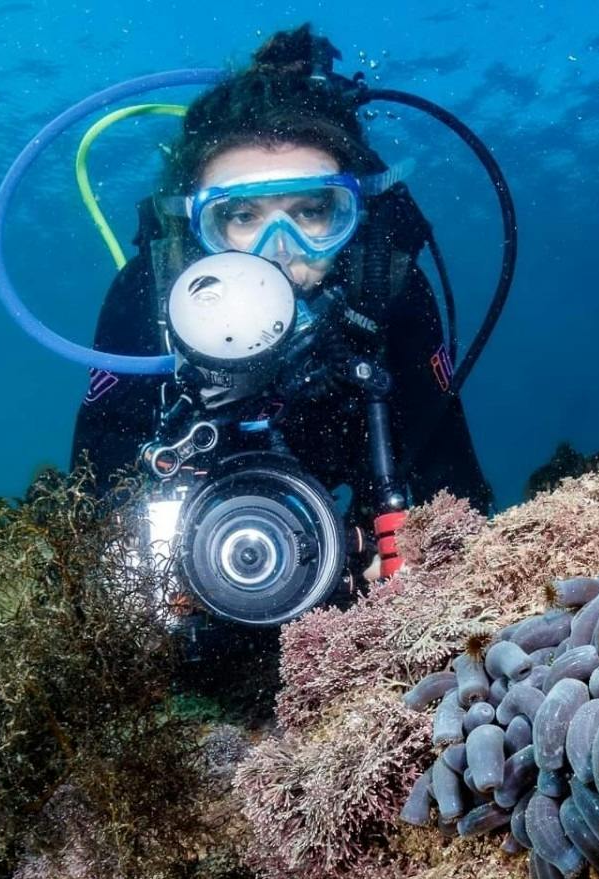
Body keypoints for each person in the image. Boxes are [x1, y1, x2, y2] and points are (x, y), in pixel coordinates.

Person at [71, 25, 494, 527]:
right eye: (243, 217)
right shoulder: (149, 296)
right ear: (194, 228)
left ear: (352, 218)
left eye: (313, 211)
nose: (278, 254)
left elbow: (452, 486)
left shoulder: (386, 289)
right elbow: (94, 495)